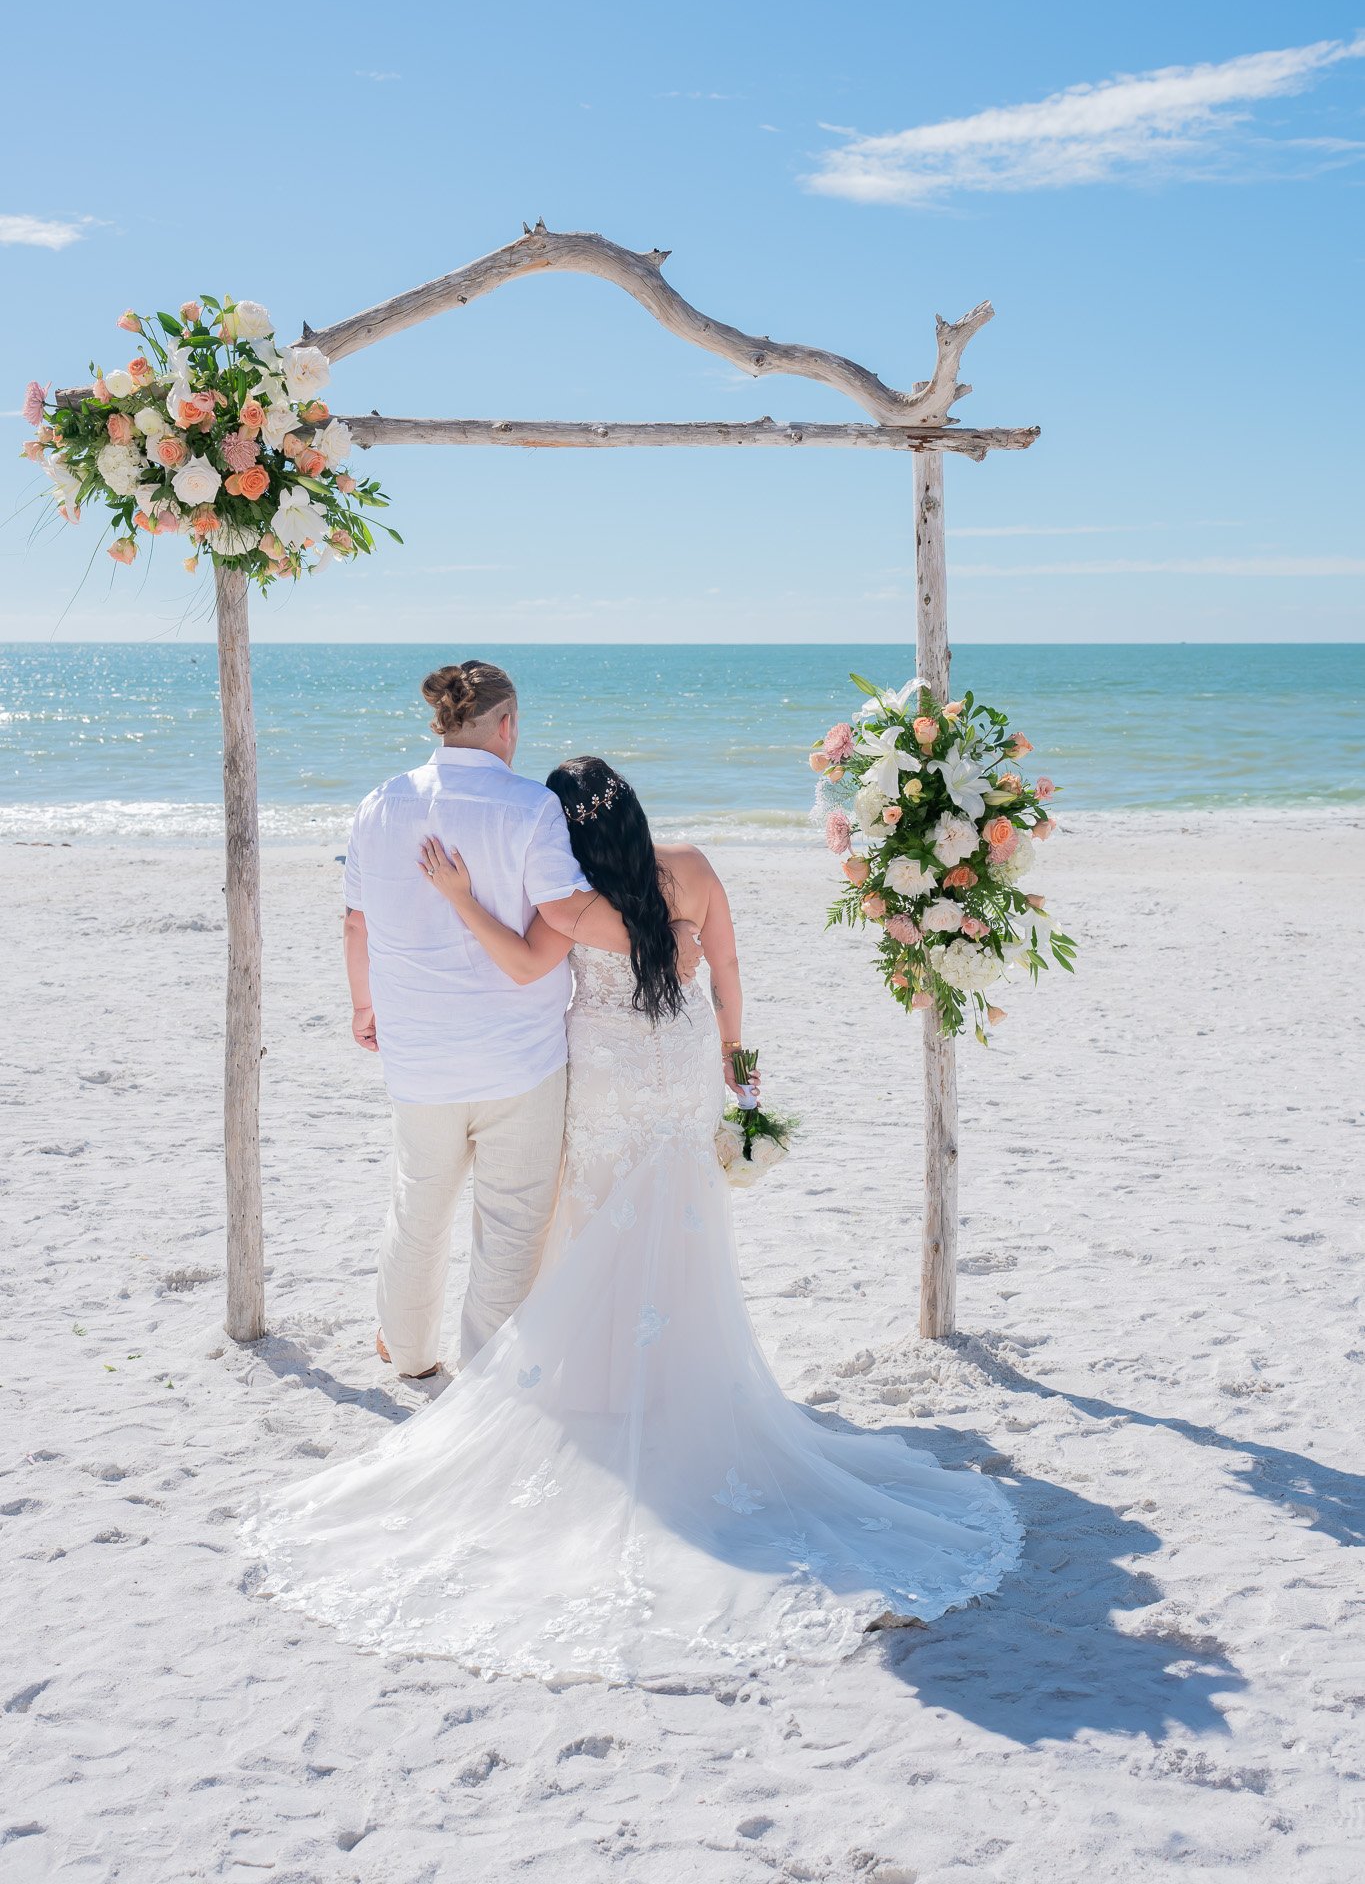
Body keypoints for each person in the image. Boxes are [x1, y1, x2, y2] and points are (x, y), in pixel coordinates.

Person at [247, 756, 1022, 1684]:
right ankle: (680, 1377)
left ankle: (599, 1385)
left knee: (590, 1219)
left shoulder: (569, 900)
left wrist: (459, 898)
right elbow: (727, 967)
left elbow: (521, 965)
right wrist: (736, 1057)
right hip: (683, 1064)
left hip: (608, 1070)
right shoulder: (691, 868)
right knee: (680, 1219)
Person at [341, 664, 701, 1377]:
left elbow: (357, 923)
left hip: (419, 1056)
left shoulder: (380, 803)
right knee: (510, 1230)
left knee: (418, 1208)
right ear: (506, 724)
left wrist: (363, 1005)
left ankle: (410, 1356)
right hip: (519, 1060)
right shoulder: (531, 807)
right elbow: (564, 913)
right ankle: (484, 1377)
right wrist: (661, 938)